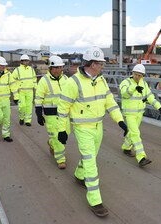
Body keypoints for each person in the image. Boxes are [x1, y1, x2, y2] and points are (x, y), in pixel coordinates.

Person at [56, 46, 128, 217]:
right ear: (93, 64)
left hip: (98, 127)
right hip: (82, 129)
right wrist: (62, 130)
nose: (102, 66)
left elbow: (110, 102)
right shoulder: (73, 82)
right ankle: (95, 200)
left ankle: (79, 175)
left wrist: (120, 121)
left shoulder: (101, 81)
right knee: (91, 162)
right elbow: (63, 107)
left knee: (91, 157)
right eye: (101, 63)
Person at [119, 64, 161, 166]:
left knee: (131, 133)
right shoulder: (126, 82)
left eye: (140, 75)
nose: (137, 77)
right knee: (135, 133)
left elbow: (150, 96)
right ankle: (141, 157)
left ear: (142, 75)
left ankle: (126, 147)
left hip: (139, 113)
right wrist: (134, 88)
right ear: (132, 73)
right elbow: (124, 93)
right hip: (129, 113)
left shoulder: (144, 84)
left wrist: (158, 106)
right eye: (136, 74)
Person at [35, 55, 70, 169]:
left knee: (66, 133)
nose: (62, 69)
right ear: (53, 68)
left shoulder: (65, 79)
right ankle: (61, 159)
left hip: (64, 113)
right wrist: (39, 113)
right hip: (51, 114)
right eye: (60, 67)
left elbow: (71, 94)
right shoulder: (44, 81)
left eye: (62, 67)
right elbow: (39, 98)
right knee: (57, 136)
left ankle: (51, 143)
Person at [12, 54, 37, 126]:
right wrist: (17, 87)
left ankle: (28, 121)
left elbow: (34, 79)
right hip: (21, 91)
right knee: (22, 106)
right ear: (21, 61)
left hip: (30, 91)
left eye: (27, 60)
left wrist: (36, 88)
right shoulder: (17, 70)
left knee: (29, 106)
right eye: (25, 61)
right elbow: (12, 80)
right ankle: (21, 118)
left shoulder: (31, 69)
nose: (26, 62)